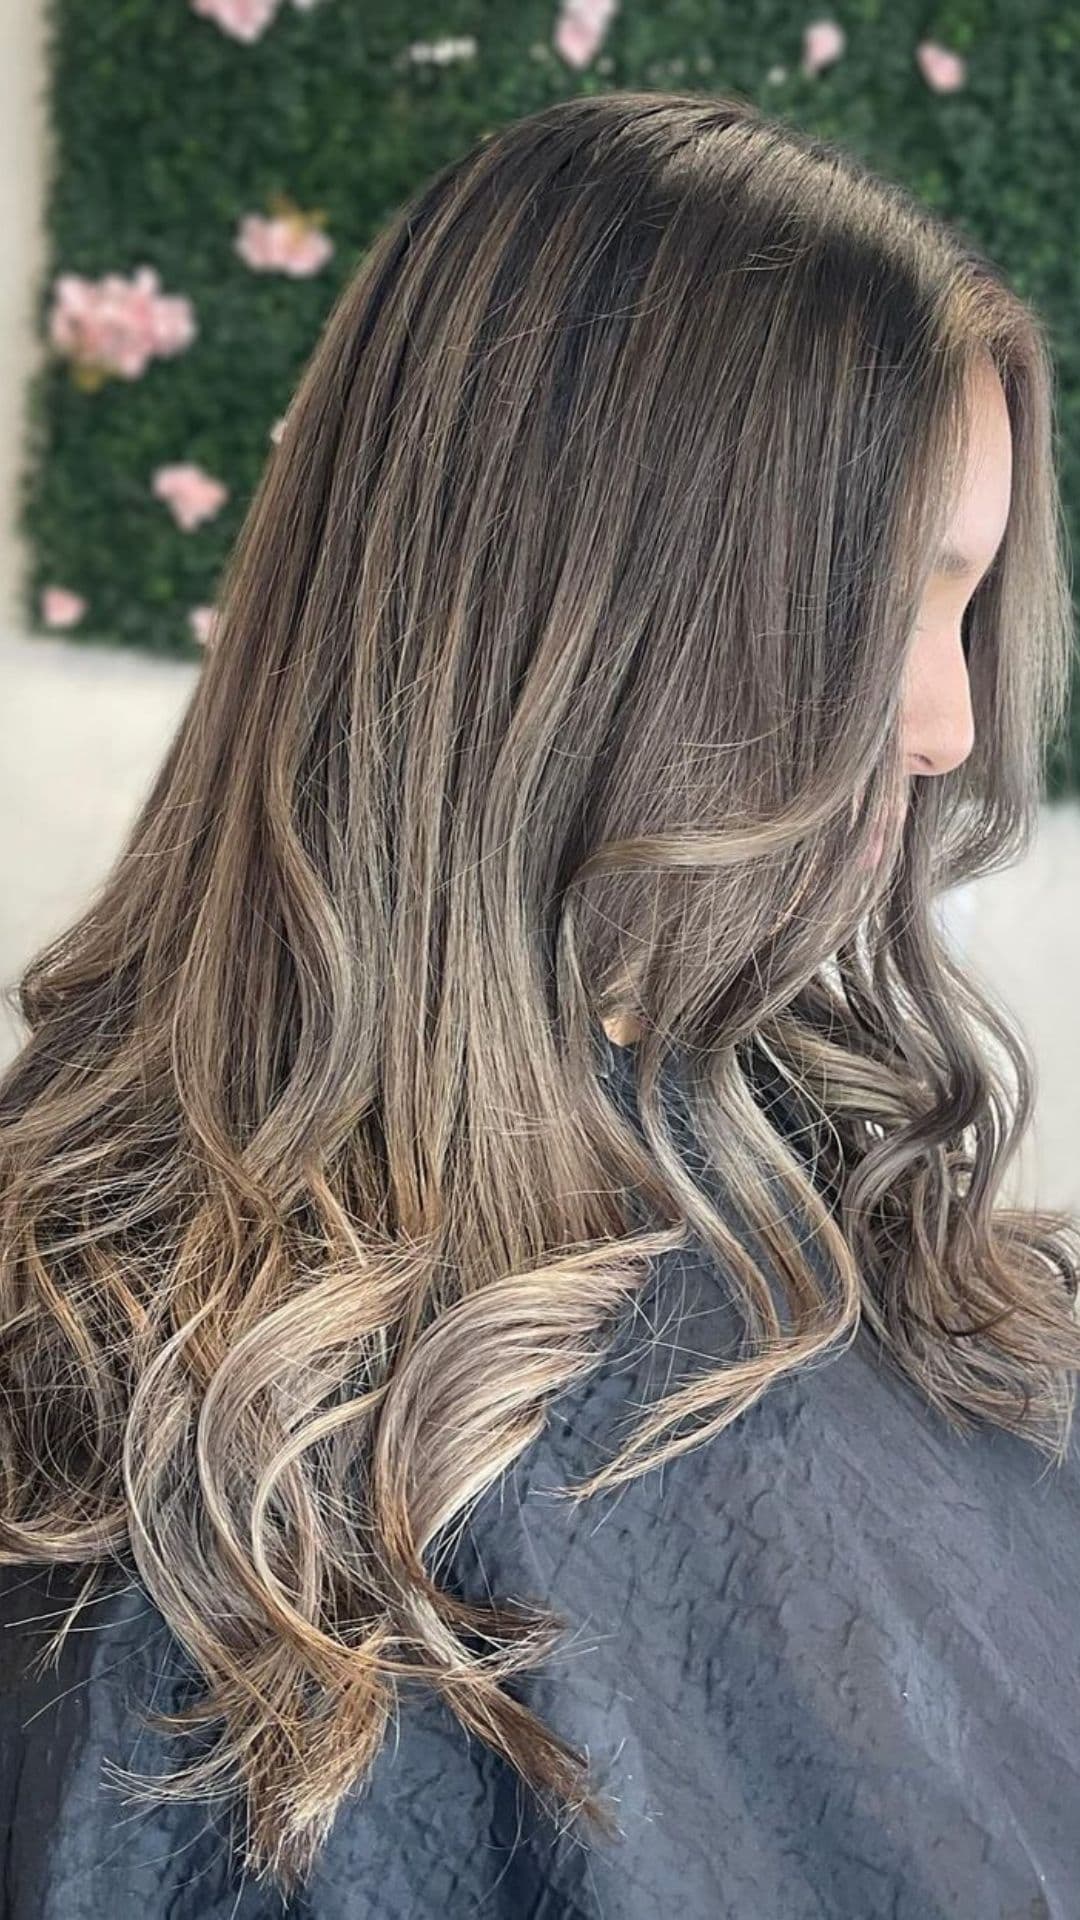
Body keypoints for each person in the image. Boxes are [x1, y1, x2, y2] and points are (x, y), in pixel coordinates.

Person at [1, 88, 1078, 1920]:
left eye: (964, 612)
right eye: (895, 602)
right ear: (594, 612)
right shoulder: (177, 1434)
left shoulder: (850, 1210)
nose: (949, 726)